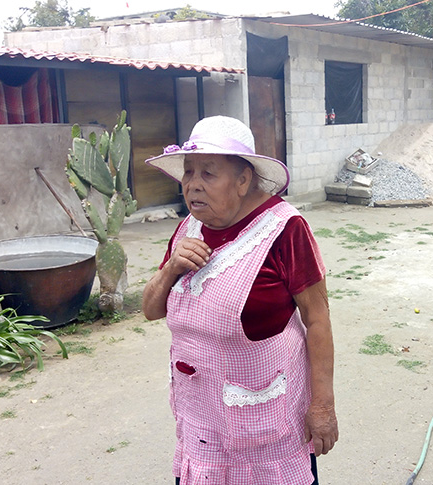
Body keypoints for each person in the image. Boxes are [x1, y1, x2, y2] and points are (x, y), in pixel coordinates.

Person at [142, 116, 338, 484]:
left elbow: (317, 318)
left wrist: (322, 405)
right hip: (202, 419)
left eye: (208, 173)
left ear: (244, 179)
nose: (193, 185)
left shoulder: (285, 228)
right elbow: (151, 311)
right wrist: (170, 268)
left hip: (265, 417)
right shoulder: (189, 227)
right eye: (188, 172)